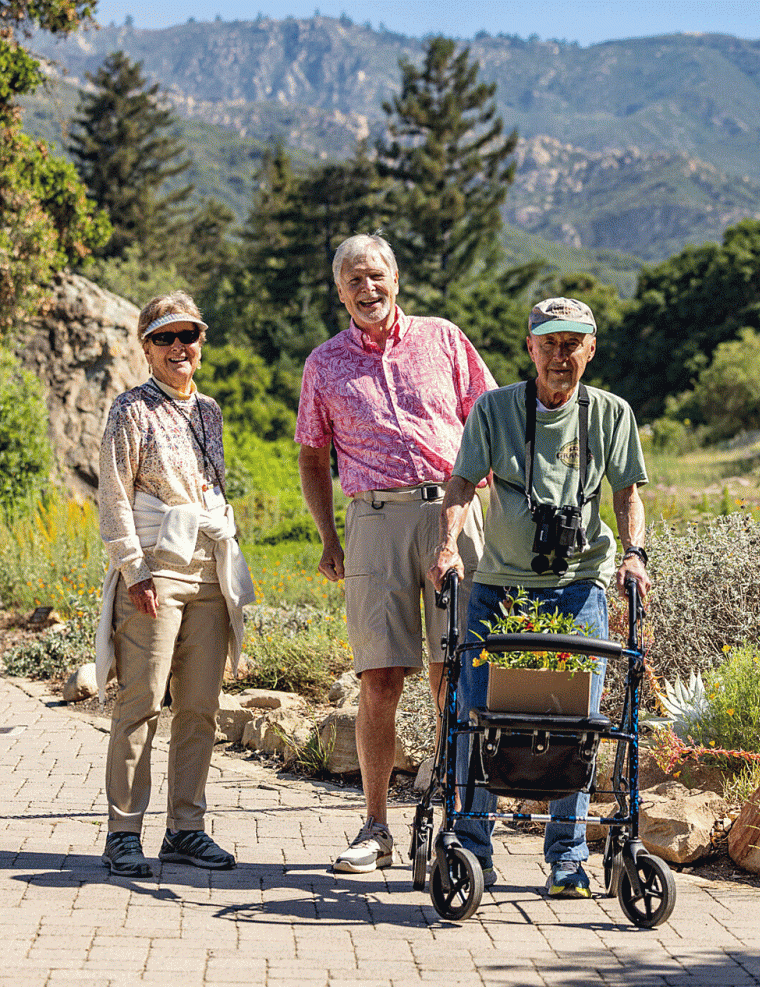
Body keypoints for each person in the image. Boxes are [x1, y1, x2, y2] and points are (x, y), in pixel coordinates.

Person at [428, 296, 651, 898]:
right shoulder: (494, 409)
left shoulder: (611, 413)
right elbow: (460, 483)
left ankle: (569, 861)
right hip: (500, 589)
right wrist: (448, 547)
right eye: (549, 343)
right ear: (529, 347)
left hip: (579, 589)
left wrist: (635, 555)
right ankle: (472, 847)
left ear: (591, 348)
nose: (560, 355)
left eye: (572, 343)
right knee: (479, 719)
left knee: (577, 726)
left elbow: (629, 492)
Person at [296, 233, 496, 874]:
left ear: (396, 277)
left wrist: (491, 507)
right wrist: (330, 537)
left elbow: (488, 418)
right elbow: (310, 454)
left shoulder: (445, 338)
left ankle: (459, 826)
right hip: (374, 523)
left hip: (451, 515)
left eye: (375, 275)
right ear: (339, 292)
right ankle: (375, 828)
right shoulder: (322, 364)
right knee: (379, 679)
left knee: (454, 674)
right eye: (353, 279)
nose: (366, 288)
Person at [96, 290, 255, 877]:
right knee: (140, 701)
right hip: (157, 569)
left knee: (200, 706)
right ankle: (122, 834)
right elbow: (113, 495)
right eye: (164, 337)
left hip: (210, 567)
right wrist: (134, 570)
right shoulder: (129, 409)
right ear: (146, 348)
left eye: (187, 335)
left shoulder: (209, 410)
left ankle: (185, 828)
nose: (178, 347)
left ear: (201, 342)